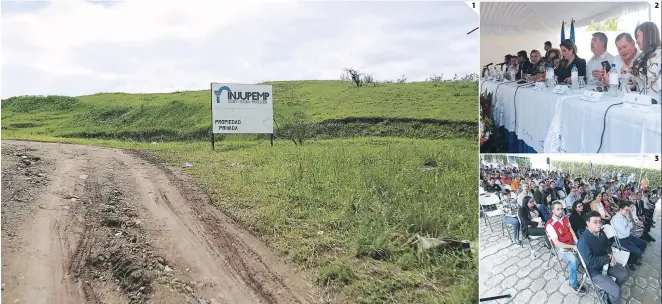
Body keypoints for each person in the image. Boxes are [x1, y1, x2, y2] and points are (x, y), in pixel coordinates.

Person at [577, 211, 629, 304]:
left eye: (599, 221)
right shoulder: (583, 241)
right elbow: (591, 263)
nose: (598, 224)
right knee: (617, 292)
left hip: (606, 263)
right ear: (587, 223)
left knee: (624, 275)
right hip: (595, 271)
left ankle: (610, 292)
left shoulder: (600, 232)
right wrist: (608, 259)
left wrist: (611, 255)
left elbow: (608, 245)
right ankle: (611, 298)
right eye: (595, 222)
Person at [545, 201, 586, 293]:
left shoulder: (565, 218)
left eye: (561, 209)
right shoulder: (550, 225)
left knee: (584, 247)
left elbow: (571, 231)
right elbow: (557, 243)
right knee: (572, 260)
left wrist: (577, 242)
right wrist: (573, 247)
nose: (561, 211)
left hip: (571, 242)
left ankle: (587, 268)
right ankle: (573, 284)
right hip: (560, 248)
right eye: (558, 209)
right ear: (552, 211)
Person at [629, 22, 661, 101]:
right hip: (641, 100)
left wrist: (630, 70)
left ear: (647, 34)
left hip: (656, 102)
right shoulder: (642, 55)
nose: (636, 41)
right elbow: (638, 82)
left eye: (638, 36)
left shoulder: (660, 53)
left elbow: (651, 76)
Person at [611, 202, 646, 270]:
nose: (628, 211)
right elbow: (625, 232)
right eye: (626, 210)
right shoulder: (615, 219)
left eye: (628, 210)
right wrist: (628, 225)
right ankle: (630, 262)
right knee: (638, 252)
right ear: (621, 209)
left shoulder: (624, 216)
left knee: (643, 244)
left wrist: (628, 220)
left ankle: (634, 258)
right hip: (622, 240)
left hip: (629, 236)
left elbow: (631, 227)